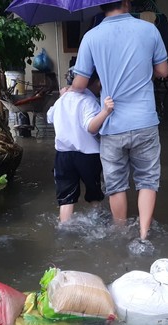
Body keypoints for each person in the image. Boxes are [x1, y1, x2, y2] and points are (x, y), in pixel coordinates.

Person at [70, 0, 168, 240]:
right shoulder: (149, 30)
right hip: (145, 120)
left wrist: (70, 88)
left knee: (116, 185)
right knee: (147, 180)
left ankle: (121, 234)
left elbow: (80, 85)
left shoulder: (91, 37)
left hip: (112, 125)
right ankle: (144, 235)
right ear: (126, 2)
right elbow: (163, 71)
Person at [47, 72, 114, 223]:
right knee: (94, 193)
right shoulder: (89, 101)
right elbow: (91, 127)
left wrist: (61, 97)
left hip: (63, 155)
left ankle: (63, 229)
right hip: (88, 155)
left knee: (66, 198)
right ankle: (97, 223)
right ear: (96, 83)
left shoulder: (61, 100)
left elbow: (49, 117)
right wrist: (105, 111)